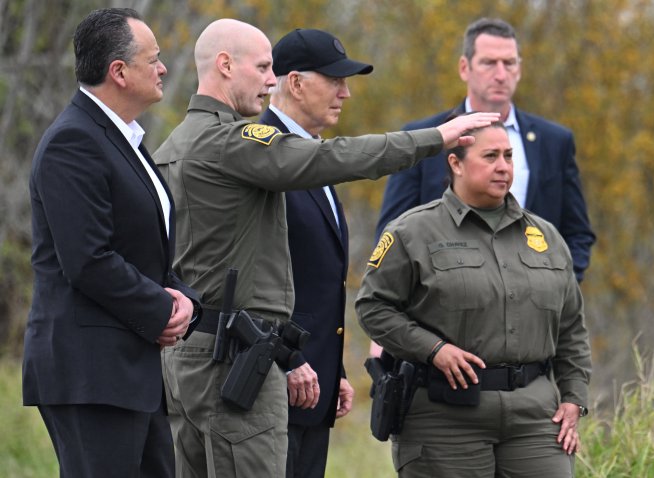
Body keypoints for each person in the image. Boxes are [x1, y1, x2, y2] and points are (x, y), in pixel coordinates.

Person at [154, 18, 498, 477]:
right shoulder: (230, 142)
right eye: (261, 67)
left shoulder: (172, 144)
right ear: (224, 65)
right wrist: (434, 138)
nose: (269, 80)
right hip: (233, 357)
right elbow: (329, 158)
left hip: (195, 353)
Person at [22, 8, 199, 477]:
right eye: (154, 59)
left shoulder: (126, 140)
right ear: (118, 72)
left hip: (132, 371)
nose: (163, 69)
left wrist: (184, 301)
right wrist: (160, 309)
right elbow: (88, 259)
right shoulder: (73, 142)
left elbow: (141, 249)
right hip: (91, 374)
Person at [357, 121, 591, 477]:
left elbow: (571, 326)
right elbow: (373, 307)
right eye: (491, 156)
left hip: (534, 416)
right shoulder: (412, 231)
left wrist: (574, 397)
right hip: (445, 417)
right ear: (456, 163)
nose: (503, 167)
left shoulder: (545, 236)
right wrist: (433, 349)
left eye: (509, 156)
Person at [376, 17, 595, 282]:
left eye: (509, 63)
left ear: (520, 69)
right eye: (489, 63)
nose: (501, 74)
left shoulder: (554, 141)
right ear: (464, 68)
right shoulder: (423, 138)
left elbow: (577, 232)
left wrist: (561, 288)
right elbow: (392, 234)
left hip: (532, 309)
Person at [257, 28, 371, 478]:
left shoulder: (313, 157)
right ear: (296, 83)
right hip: (271, 382)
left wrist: (332, 365)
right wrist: (286, 359)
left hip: (311, 386)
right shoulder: (259, 149)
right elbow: (254, 272)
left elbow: (315, 278)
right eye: (334, 80)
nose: (345, 93)